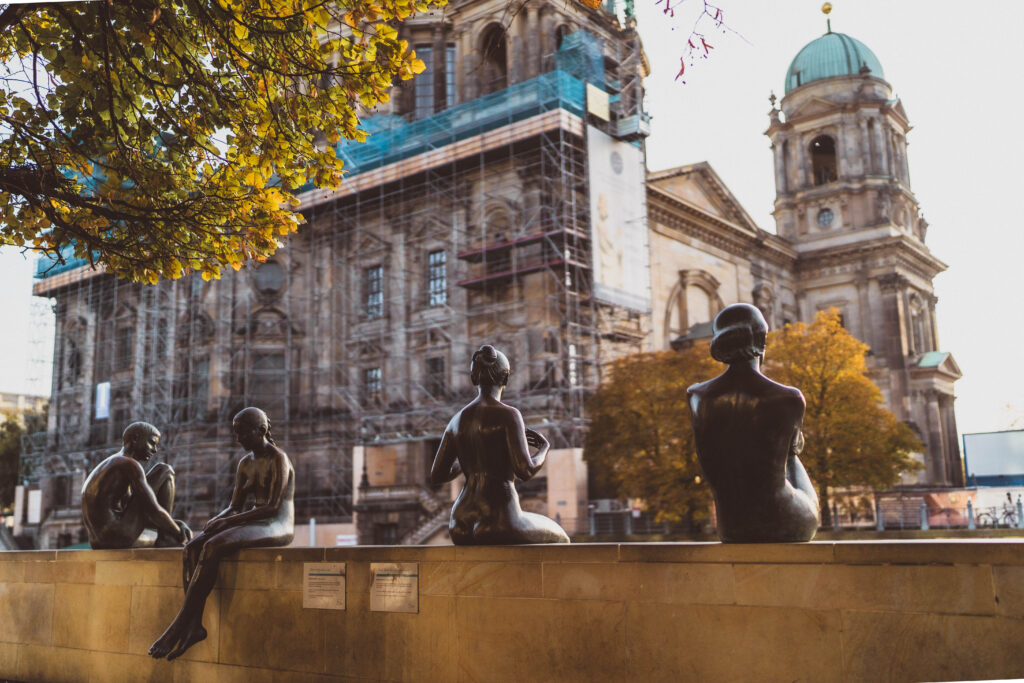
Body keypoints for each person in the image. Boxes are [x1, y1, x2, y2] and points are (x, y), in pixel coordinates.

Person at [149, 407, 295, 661]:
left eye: (242, 433)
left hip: (277, 523)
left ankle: (180, 624)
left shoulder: (278, 458)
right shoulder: (245, 463)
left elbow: (272, 507)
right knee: (192, 547)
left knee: (213, 546)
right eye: (235, 432)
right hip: (253, 519)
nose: (238, 439)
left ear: (260, 431)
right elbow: (235, 505)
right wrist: (218, 519)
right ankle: (194, 626)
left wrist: (229, 521)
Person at [687, 304, 820, 542]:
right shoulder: (789, 398)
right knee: (790, 454)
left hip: (730, 528)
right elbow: (792, 452)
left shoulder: (696, 396)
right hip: (785, 522)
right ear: (762, 341)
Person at [429, 345, 569, 545]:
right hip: (500, 518)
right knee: (560, 536)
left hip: (459, 521)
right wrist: (543, 449)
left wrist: (466, 459)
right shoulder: (509, 415)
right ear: (505, 379)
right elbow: (525, 470)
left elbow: (437, 476)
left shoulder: (456, 420)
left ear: (474, 378)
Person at [80, 422, 191, 549]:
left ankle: (165, 535)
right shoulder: (130, 464)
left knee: (153, 535)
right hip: (117, 535)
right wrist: (176, 532)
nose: (154, 450)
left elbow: (140, 515)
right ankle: (166, 537)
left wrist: (173, 525)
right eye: (152, 443)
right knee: (165, 470)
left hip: (98, 540)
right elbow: (153, 509)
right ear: (135, 438)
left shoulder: (114, 462)